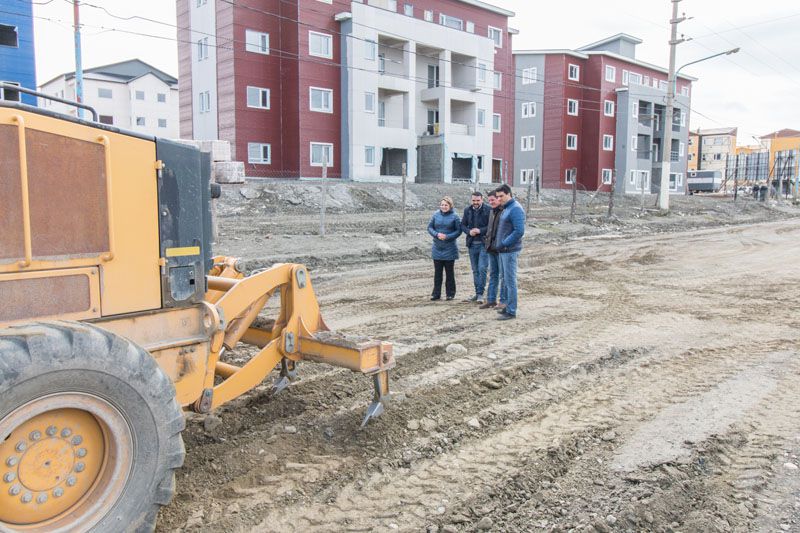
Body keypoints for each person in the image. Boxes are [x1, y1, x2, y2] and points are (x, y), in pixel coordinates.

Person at [493, 184, 525, 320]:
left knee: (510, 281)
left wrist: (504, 243)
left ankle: (511, 311)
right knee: (505, 280)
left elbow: (519, 231)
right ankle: (507, 306)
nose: (499, 199)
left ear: (509, 194)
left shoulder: (515, 208)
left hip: (509, 250)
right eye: (497, 197)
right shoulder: (506, 208)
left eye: (501, 196)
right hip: (503, 250)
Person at [427, 196, 461, 301]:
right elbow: (430, 227)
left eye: (446, 205)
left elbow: (458, 231)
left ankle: (450, 294)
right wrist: (436, 234)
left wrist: (447, 236)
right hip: (437, 247)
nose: (443, 207)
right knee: (437, 273)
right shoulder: (435, 215)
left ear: (450, 206)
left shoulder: (455, 216)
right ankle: (436, 294)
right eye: (442, 205)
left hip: (450, 248)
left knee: (449, 273)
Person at [461, 191, 490, 303]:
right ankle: (478, 293)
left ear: (482, 199)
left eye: (478, 200)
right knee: (475, 270)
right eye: (474, 200)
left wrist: (480, 230)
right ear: (471, 200)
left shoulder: (488, 210)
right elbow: (462, 225)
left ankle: (480, 294)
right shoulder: (467, 210)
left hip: (484, 244)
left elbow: (491, 226)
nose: (476, 202)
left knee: (482, 268)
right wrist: (469, 231)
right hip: (472, 244)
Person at [480, 191, 504, 309]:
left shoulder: (504, 212)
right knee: (493, 274)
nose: (490, 202)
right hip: (491, 248)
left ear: (498, 199)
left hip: (501, 249)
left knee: (503, 276)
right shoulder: (492, 212)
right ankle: (491, 300)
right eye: (489, 200)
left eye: (492, 200)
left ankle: (503, 301)